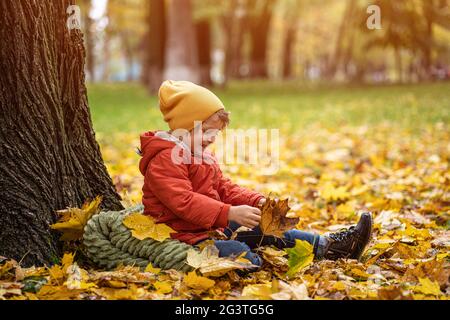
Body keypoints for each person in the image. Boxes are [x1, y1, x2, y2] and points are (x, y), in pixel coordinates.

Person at [139, 80, 372, 272]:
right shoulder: (165, 158)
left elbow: (223, 187)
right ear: (185, 125)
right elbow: (183, 202)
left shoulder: (200, 154)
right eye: (207, 131)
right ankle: (242, 254)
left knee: (265, 226)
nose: (212, 138)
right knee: (246, 259)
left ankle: (330, 246)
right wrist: (228, 212)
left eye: (216, 133)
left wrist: (255, 201)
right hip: (183, 235)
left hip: (208, 226)